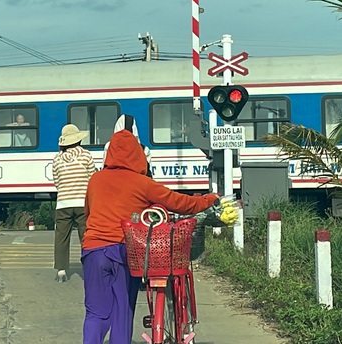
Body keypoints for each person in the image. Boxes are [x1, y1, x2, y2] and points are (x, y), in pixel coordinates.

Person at [82, 130, 220, 344]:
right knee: (122, 312)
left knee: (95, 313)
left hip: (92, 250)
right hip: (122, 250)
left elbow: (88, 212)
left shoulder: (95, 180)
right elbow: (181, 203)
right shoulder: (142, 183)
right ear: (138, 155)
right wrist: (208, 199)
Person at [52, 124, 95, 283]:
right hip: (82, 202)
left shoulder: (57, 159)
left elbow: (56, 182)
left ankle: (61, 270)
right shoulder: (86, 156)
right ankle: (89, 267)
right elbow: (93, 179)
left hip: (63, 203)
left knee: (61, 237)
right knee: (86, 236)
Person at [103, 114, 154, 178]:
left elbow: (105, 169)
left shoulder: (109, 147)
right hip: (137, 184)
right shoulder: (144, 149)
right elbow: (148, 174)